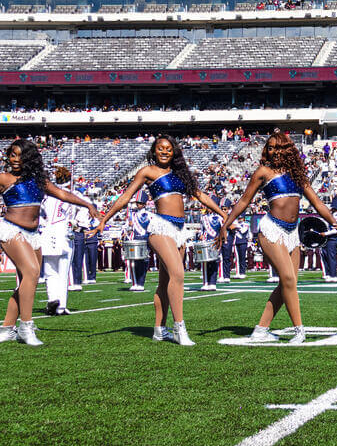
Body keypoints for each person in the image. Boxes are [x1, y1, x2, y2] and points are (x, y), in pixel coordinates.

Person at [90, 134, 225, 346]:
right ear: (154, 151)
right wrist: (104, 220)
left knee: (165, 282)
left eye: (168, 149)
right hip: (160, 227)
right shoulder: (148, 171)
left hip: (179, 230)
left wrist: (224, 215)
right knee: (178, 274)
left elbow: (201, 196)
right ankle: (179, 328)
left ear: (174, 153)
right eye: (160, 148)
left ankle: (159, 330)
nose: (164, 152)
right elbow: (125, 197)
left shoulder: (180, 174)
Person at [219, 131, 337, 344]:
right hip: (271, 229)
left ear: (289, 150)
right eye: (271, 148)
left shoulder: (298, 174)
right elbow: (243, 201)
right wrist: (226, 224)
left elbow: (318, 203)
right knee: (288, 280)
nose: (275, 152)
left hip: (293, 232)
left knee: (288, 283)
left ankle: (260, 329)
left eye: (280, 148)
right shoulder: (263, 172)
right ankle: (299, 330)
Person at [0, 139, 99, 345]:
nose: (15, 159)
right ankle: (26, 327)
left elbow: (62, 193)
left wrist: (86, 204)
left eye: (20, 155)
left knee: (29, 281)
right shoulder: (4, 178)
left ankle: (7, 328)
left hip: (34, 234)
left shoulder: (39, 180)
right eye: (12, 155)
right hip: (11, 230)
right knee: (32, 273)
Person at [39, 166, 77, 316]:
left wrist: (44, 224)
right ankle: (61, 305)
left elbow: (39, 213)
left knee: (50, 271)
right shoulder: (70, 194)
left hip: (48, 232)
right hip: (63, 233)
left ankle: (52, 299)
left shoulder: (46, 196)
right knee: (63, 272)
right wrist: (75, 224)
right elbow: (79, 214)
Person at [199, 207, 224, 291]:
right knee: (205, 263)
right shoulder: (203, 218)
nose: (209, 209)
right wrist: (201, 235)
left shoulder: (220, 217)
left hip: (215, 241)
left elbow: (222, 229)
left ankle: (213, 283)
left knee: (214, 262)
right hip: (206, 241)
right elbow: (201, 230)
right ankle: (205, 283)